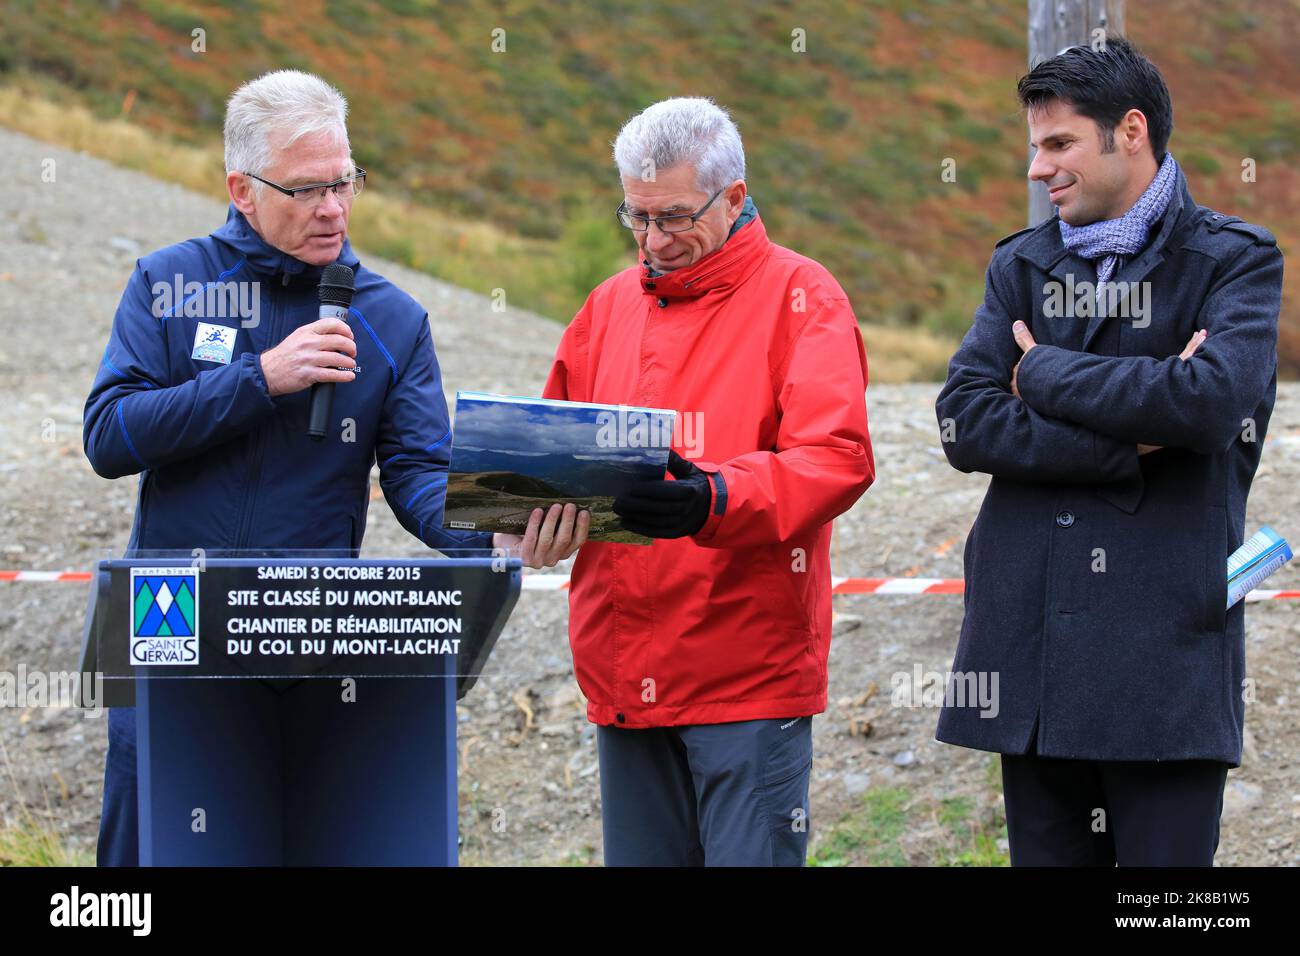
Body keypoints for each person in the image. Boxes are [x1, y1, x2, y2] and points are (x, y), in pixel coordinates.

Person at [84, 70, 583, 866]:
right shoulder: (170, 285)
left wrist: (494, 541)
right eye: (308, 189)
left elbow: (419, 476)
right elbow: (109, 435)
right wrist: (260, 379)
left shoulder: (390, 318)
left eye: (345, 183)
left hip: (309, 635)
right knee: (152, 857)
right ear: (242, 189)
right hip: (170, 625)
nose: (334, 209)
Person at [934, 38, 1283, 866]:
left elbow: (1205, 406)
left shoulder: (1235, 260)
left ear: (1131, 132)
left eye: (1058, 145)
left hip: (1161, 660)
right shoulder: (1020, 265)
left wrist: (1042, 371)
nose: (1037, 170)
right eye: (1034, 148)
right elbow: (964, 423)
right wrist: (1131, 437)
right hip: (1033, 656)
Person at [542, 97, 875, 866]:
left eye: (674, 218)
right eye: (637, 216)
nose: (654, 241)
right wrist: (525, 522)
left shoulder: (805, 297)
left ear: (734, 197)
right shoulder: (606, 308)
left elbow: (835, 458)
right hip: (623, 671)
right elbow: (551, 453)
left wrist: (714, 498)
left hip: (746, 676)